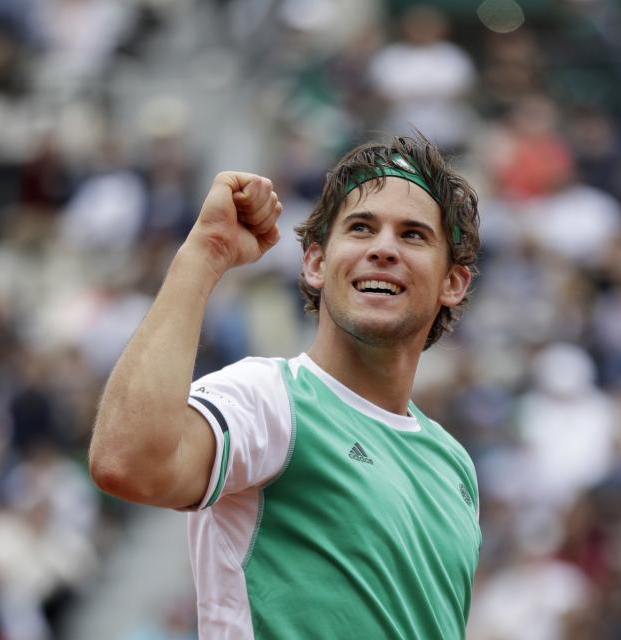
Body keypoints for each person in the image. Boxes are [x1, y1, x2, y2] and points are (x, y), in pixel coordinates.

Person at [89, 134, 482, 638]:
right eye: (361, 228)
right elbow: (126, 462)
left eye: (413, 235)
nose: (383, 248)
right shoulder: (270, 398)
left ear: (454, 282)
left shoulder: (454, 465)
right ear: (316, 263)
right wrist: (203, 254)